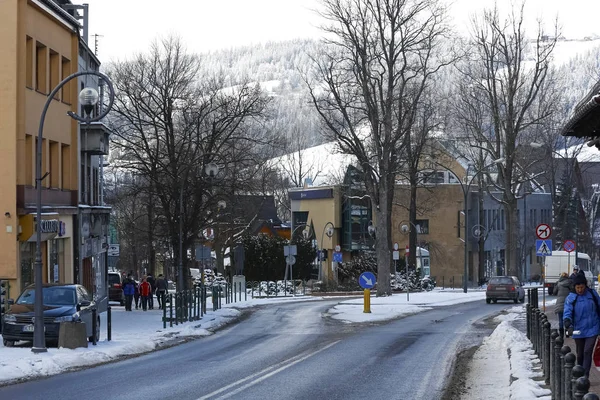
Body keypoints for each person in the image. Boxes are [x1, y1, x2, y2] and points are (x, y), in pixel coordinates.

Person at [563, 274, 600, 377]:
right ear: (574, 287)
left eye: (582, 287)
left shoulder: (592, 294)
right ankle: (579, 372)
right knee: (580, 354)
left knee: (587, 351)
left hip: (593, 328)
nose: (580, 290)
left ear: (585, 285)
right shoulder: (571, 298)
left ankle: (585, 376)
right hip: (578, 329)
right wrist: (567, 321)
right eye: (578, 287)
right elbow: (567, 311)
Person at [553, 272, 571, 339]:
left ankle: (561, 335)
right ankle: (567, 334)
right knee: (567, 318)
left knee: (560, 320)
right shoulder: (569, 283)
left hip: (559, 303)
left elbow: (554, 292)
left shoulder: (558, 283)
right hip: (567, 303)